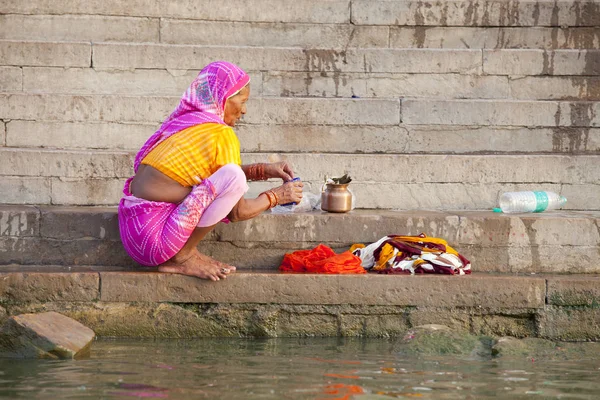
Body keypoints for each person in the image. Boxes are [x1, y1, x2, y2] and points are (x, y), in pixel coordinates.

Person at [118, 61, 304, 281]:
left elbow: (212, 175)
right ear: (222, 98)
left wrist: (261, 170)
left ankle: (184, 252)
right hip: (157, 242)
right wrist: (277, 196)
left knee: (230, 176)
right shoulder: (221, 134)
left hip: (133, 233)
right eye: (242, 101)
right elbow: (237, 211)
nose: (244, 110)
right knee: (233, 177)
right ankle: (183, 256)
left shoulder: (187, 122)